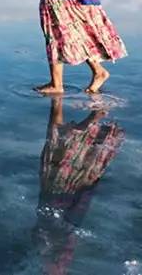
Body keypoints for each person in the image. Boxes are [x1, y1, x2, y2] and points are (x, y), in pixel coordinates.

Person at [34, 97, 124, 274]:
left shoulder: (59, 249)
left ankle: (86, 113)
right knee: (56, 143)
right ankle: (90, 115)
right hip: (60, 192)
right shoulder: (59, 251)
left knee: (56, 143)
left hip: (59, 194)